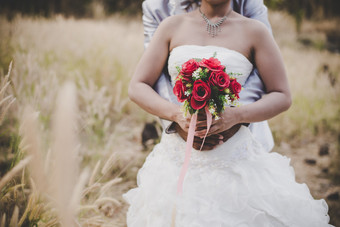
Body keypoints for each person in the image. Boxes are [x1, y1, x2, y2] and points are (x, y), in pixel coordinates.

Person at [124, 0, 332, 226]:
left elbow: (282, 95)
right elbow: (138, 86)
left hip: (233, 155)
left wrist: (236, 116)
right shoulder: (171, 26)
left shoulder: (255, 30)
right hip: (177, 155)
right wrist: (177, 116)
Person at [143, 0, 274, 151]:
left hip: (241, 130)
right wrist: (181, 120)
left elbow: (262, 71)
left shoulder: (251, 13)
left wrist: (234, 117)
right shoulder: (156, 8)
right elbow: (155, 77)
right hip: (181, 132)